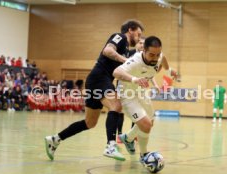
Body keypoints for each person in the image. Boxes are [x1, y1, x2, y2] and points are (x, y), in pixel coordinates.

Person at [44, 19, 144, 161]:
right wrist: (125, 60)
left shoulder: (127, 48)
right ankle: (110, 146)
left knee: (89, 123)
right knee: (116, 106)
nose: (139, 38)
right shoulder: (120, 37)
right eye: (138, 34)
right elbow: (107, 50)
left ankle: (55, 139)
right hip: (99, 78)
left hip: (99, 81)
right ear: (131, 29)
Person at [113, 36, 166, 163]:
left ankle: (128, 138)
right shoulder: (135, 61)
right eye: (151, 55)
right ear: (144, 51)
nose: (155, 58)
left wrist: (169, 71)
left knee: (150, 123)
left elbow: (163, 59)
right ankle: (144, 155)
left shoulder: (158, 56)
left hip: (141, 92)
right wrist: (134, 79)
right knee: (146, 125)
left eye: (157, 54)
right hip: (128, 94)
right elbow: (116, 72)